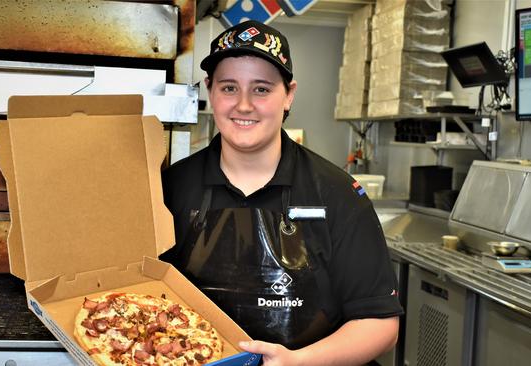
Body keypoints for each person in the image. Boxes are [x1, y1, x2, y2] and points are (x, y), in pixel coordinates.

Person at [161, 20, 403, 365]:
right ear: (209, 90)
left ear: (288, 94)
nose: (244, 105)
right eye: (229, 88)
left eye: (261, 89)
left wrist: (298, 361)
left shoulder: (336, 194)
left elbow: (378, 322)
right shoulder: (170, 189)